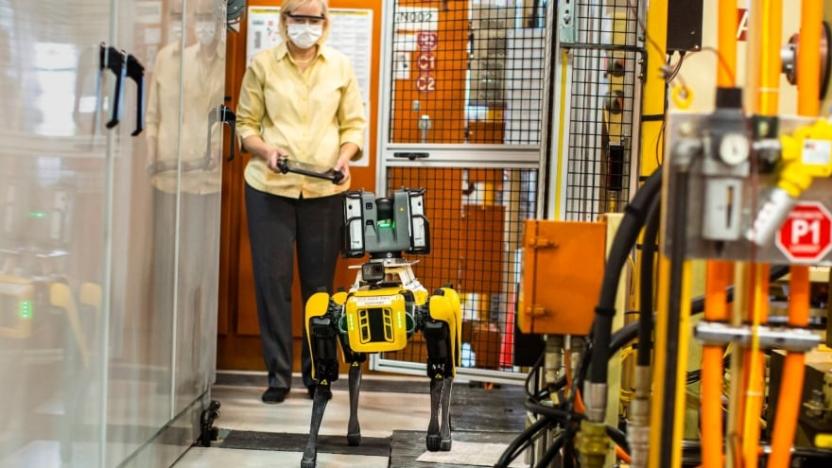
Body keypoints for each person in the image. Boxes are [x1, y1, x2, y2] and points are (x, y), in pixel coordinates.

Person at [236, 0, 366, 404]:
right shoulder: (262, 64)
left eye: (314, 19)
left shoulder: (340, 66)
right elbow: (245, 125)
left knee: (319, 288)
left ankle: (318, 376)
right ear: (284, 21)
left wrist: (345, 158)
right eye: (299, 18)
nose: (306, 27)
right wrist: (265, 151)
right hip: (269, 188)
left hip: (325, 190)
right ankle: (277, 376)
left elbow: (353, 125)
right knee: (272, 283)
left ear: (325, 24)